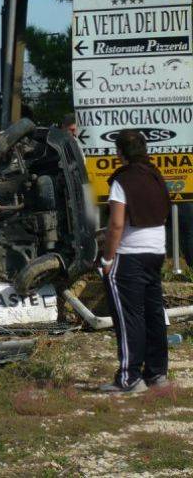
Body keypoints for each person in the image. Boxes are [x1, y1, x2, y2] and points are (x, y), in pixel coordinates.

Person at [100, 130, 171, 394]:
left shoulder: (122, 180)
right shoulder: (155, 175)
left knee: (130, 317)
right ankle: (157, 374)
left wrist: (107, 258)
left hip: (130, 255)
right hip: (157, 251)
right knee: (154, 315)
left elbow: (117, 224)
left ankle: (129, 377)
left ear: (119, 153)